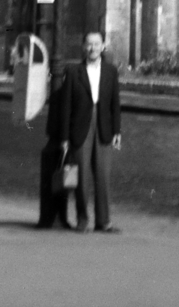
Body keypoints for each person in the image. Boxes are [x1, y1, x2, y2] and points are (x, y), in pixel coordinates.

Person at [61, 31, 122, 232]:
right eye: (89, 44)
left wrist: (117, 132)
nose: (93, 48)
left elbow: (115, 104)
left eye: (97, 44)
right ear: (83, 47)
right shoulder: (73, 71)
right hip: (80, 127)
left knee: (103, 176)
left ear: (103, 46)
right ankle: (82, 220)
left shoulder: (111, 71)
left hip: (104, 127)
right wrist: (64, 137)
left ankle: (103, 221)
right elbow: (66, 106)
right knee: (81, 176)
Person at [36, 74, 70, 229]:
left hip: (65, 138)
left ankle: (59, 216)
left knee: (68, 174)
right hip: (60, 139)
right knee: (65, 173)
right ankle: (56, 216)